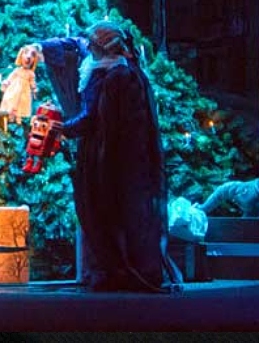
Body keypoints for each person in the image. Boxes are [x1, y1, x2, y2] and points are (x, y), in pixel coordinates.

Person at [39, 21, 181, 293]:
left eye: (93, 44)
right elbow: (79, 44)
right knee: (123, 212)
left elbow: (93, 117)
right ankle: (121, 270)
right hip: (127, 157)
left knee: (107, 211)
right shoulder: (124, 68)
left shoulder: (112, 75)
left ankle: (118, 271)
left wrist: (63, 128)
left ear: (101, 47)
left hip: (109, 157)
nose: (88, 48)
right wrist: (38, 47)